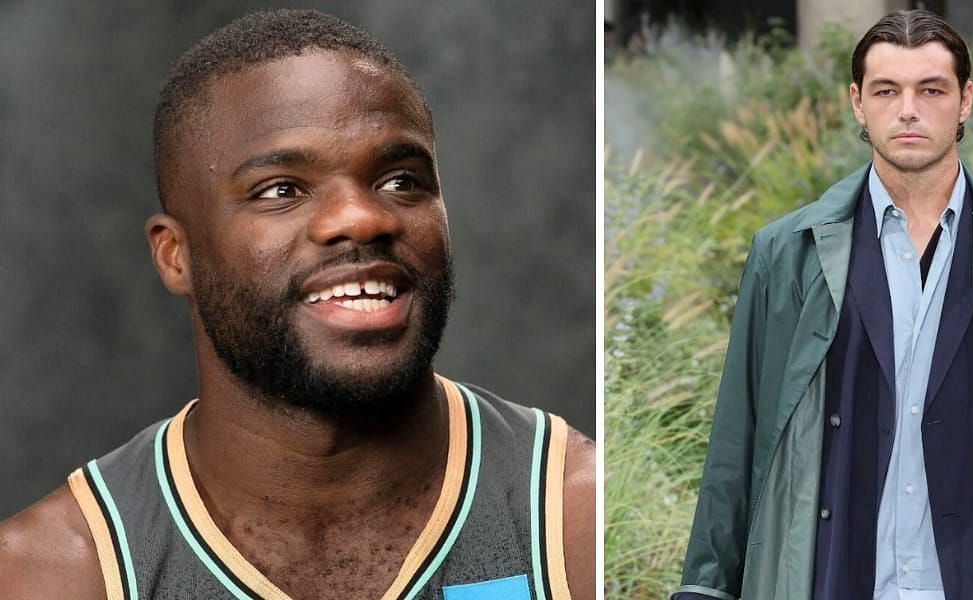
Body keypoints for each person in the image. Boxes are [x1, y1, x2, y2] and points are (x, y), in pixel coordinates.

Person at [0, 9, 594, 599]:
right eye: (281, 190)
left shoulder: (575, 518)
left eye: (401, 180)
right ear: (175, 256)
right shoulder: (50, 574)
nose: (362, 217)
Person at [675, 9, 973, 600]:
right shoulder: (787, 253)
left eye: (931, 90)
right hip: (832, 580)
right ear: (858, 102)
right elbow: (737, 438)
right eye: (886, 90)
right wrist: (706, 589)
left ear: (965, 100)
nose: (908, 109)